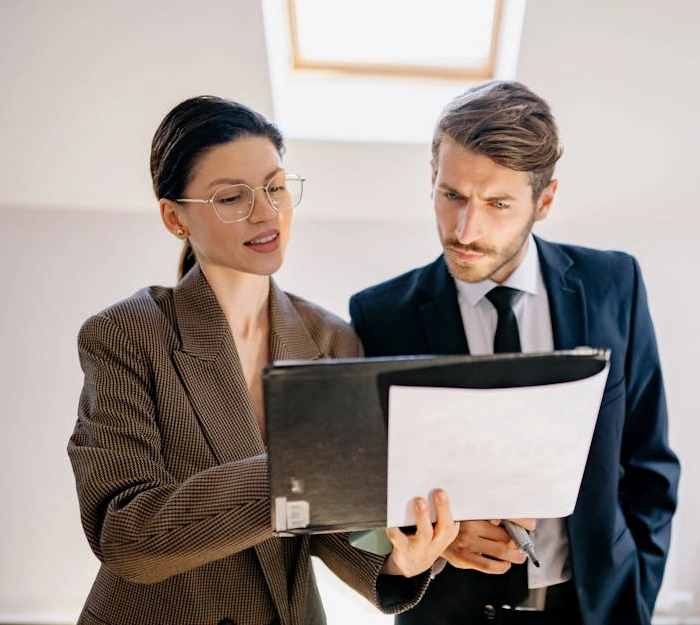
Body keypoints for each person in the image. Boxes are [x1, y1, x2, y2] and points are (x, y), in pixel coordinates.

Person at [67, 95, 458, 625]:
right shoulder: (126, 336)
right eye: (231, 197)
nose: (266, 212)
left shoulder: (332, 341)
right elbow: (126, 536)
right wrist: (296, 473)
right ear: (174, 218)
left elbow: (327, 527)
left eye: (275, 187)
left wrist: (400, 562)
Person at [349, 81, 680, 625]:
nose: (465, 230)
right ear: (431, 179)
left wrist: (638, 590)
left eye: (498, 204)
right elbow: (365, 488)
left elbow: (649, 462)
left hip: (595, 608)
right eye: (451, 195)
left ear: (543, 201)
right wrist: (436, 544)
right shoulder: (381, 314)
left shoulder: (613, 285)